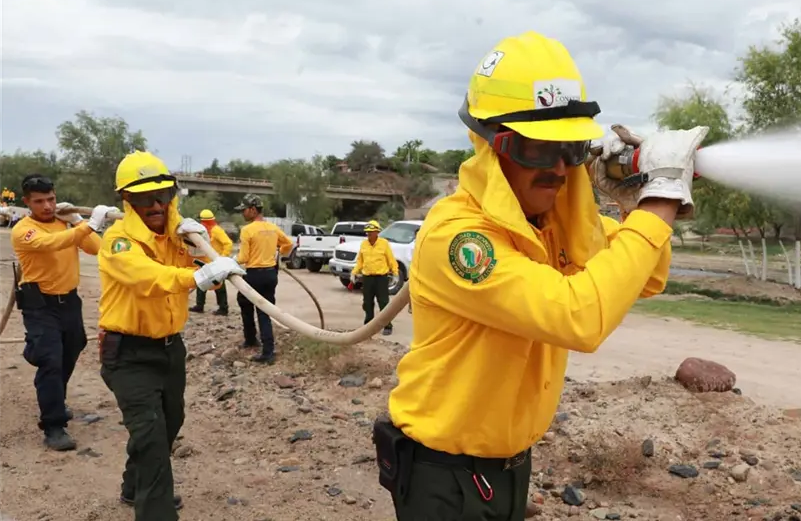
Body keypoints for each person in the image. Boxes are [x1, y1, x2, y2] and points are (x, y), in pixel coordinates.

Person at [374, 31, 708, 520]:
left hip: (506, 468)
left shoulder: (547, 228)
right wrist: (663, 197)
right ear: (491, 148)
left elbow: (643, 277)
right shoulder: (461, 239)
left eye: (569, 149)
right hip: (445, 474)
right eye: (535, 149)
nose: (555, 167)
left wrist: (632, 198)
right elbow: (579, 317)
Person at [98, 151, 245, 520]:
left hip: (170, 351)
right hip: (128, 355)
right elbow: (148, 278)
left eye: (163, 195)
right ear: (127, 201)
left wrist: (198, 242)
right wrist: (197, 276)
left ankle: (134, 486)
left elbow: (212, 265)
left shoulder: (176, 238)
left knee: (169, 423)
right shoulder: (118, 242)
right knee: (151, 442)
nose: (156, 204)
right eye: (144, 197)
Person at [10, 174, 117, 451]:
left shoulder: (65, 222)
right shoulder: (24, 230)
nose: (47, 206)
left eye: (51, 199)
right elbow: (51, 244)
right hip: (39, 304)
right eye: (39, 201)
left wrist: (80, 222)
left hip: (68, 301)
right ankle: (54, 425)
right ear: (27, 202)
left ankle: (52, 390)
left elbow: (97, 250)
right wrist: (89, 225)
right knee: (50, 359)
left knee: (73, 347)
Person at [234, 194, 293, 364]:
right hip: (270, 274)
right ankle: (266, 348)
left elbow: (243, 257)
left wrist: (229, 261)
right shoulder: (272, 228)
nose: (242, 213)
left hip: (253, 275)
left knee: (248, 305)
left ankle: (255, 342)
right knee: (264, 310)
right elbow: (288, 244)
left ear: (253, 210)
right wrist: (277, 255)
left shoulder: (247, 230)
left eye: (244, 210)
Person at [350, 220, 399, 336]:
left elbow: (391, 260)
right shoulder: (364, 244)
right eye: (367, 232)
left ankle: (387, 325)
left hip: (381, 278)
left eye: (371, 232)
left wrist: (395, 273)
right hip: (367, 278)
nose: (369, 234)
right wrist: (354, 272)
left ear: (377, 232)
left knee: (383, 302)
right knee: (367, 303)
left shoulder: (384, 244)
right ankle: (369, 324)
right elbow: (360, 262)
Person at [188, 209, 233, 316]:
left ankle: (223, 308)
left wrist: (222, 258)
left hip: (216, 262)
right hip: (206, 262)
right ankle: (199, 305)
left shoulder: (216, 230)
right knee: (201, 282)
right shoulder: (205, 231)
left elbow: (228, 243)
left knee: (219, 285)